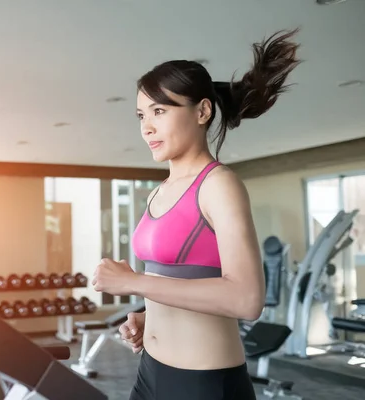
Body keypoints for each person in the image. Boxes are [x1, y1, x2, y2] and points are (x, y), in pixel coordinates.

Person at [92, 29, 301, 400]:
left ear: (202, 111)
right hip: (149, 371)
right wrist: (149, 316)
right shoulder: (158, 191)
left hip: (201, 383)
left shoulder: (219, 184)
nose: (147, 127)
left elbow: (246, 299)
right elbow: (177, 280)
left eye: (160, 111)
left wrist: (134, 282)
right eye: (141, 114)